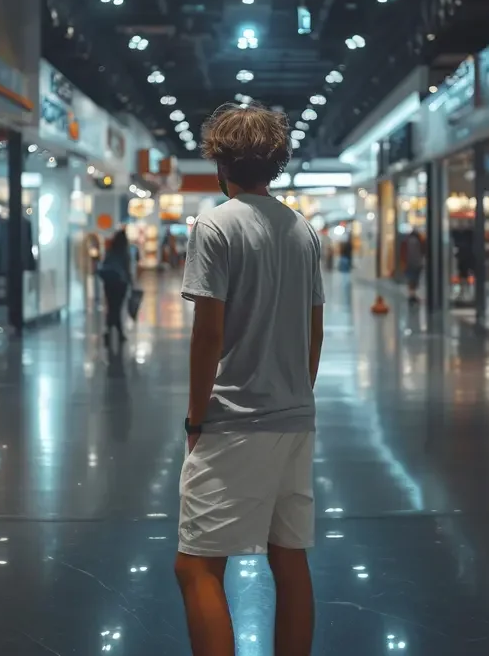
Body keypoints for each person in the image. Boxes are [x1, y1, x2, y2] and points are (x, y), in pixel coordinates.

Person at [176, 104, 324, 656]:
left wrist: (196, 418)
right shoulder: (301, 229)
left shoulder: (216, 224)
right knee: (288, 557)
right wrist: (295, 398)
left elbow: (207, 336)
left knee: (195, 566)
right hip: (295, 418)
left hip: (235, 420)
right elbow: (315, 333)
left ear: (220, 161)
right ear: (276, 163)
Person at [97, 229, 133, 348]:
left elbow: (104, 264)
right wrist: (131, 283)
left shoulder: (110, 250)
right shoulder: (124, 252)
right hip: (120, 283)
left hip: (109, 282)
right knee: (116, 308)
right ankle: (114, 332)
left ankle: (111, 331)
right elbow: (127, 269)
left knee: (112, 307)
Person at [401, 227, 426, 302]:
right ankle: (413, 295)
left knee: (411, 280)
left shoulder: (407, 241)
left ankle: (412, 295)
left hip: (409, 263)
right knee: (414, 280)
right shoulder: (418, 241)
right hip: (416, 263)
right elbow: (421, 252)